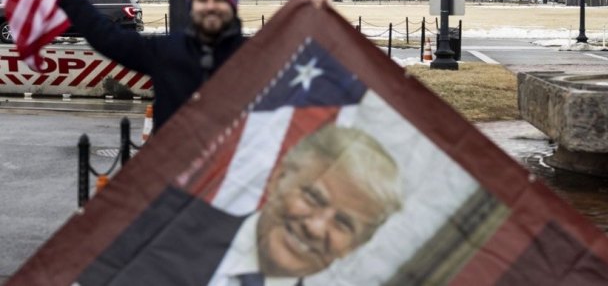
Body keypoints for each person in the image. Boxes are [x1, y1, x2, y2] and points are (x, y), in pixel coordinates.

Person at [38, 0, 330, 132]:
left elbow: (323, 72)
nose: (212, 5)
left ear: (232, 6)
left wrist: (320, 19)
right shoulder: (166, 51)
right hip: (173, 190)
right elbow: (106, 37)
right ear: (193, 4)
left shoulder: (255, 55)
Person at [76, 124, 403, 286]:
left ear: (360, 243)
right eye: (313, 197)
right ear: (278, 179)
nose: (316, 227)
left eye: (344, 223)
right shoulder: (159, 229)